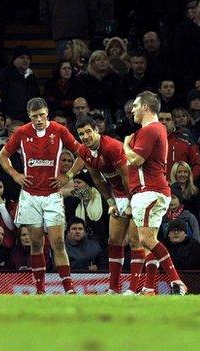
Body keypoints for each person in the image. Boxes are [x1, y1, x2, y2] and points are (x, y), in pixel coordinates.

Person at [0, 97, 81, 294]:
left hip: (53, 195)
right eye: (35, 116)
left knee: (58, 242)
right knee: (36, 243)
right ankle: (40, 290)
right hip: (30, 195)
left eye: (42, 115)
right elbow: (3, 156)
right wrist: (15, 174)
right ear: (29, 116)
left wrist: (68, 175)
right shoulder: (21, 132)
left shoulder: (60, 131)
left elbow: (82, 153)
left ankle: (68, 289)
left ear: (47, 113)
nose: (39, 119)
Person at [67, 116, 143, 294]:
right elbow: (96, 179)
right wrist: (110, 201)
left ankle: (133, 289)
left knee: (134, 241)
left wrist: (132, 202)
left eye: (88, 132)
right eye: (81, 134)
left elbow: (127, 177)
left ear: (96, 130)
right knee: (114, 241)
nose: (85, 136)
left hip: (137, 192)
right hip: (118, 195)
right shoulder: (84, 152)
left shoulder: (112, 147)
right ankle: (114, 289)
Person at [123, 91, 187, 295]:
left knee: (146, 240)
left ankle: (177, 281)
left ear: (145, 107)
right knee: (150, 242)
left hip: (149, 190)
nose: (131, 110)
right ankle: (149, 288)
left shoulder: (150, 129)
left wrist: (125, 145)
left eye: (135, 105)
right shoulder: (158, 129)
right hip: (153, 190)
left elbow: (136, 160)